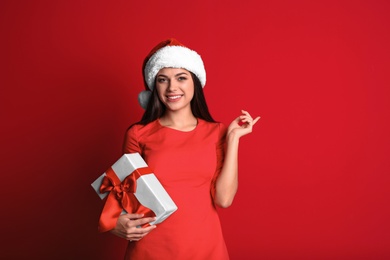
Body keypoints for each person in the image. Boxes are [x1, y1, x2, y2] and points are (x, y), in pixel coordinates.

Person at [110, 38, 260, 259]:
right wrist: (115, 223)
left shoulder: (217, 132)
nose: (172, 87)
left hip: (206, 249)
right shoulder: (138, 134)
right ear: (154, 86)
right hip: (150, 250)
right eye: (163, 80)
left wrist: (234, 138)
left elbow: (224, 199)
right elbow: (119, 195)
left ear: (195, 83)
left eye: (181, 78)